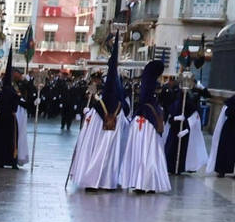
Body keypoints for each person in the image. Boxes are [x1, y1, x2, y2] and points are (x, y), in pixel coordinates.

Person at [69, 36, 128, 191]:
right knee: (100, 150)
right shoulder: (101, 102)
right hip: (104, 123)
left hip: (112, 124)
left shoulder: (116, 99)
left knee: (107, 152)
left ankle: (105, 179)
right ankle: (98, 179)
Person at [119, 59, 170, 193]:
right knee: (146, 153)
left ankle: (146, 182)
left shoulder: (150, 102)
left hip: (146, 125)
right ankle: (145, 182)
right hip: (146, 123)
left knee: (145, 153)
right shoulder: (153, 104)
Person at [0, 62, 28, 170]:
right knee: (10, 141)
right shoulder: (14, 96)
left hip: (0, 119)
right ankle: (12, 161)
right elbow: (22, 104)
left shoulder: (1, 95)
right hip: (10, 119)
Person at [160, 72, 207, 175]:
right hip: (174, 131)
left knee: (183, 152)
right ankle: (171, 167)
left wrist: (186, 126)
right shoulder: (175, 102)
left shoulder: (192, 102)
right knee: (171, 150)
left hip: (184, 132)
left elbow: (193, 119)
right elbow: (170, 117)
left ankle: (181, 167)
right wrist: (175, 118)